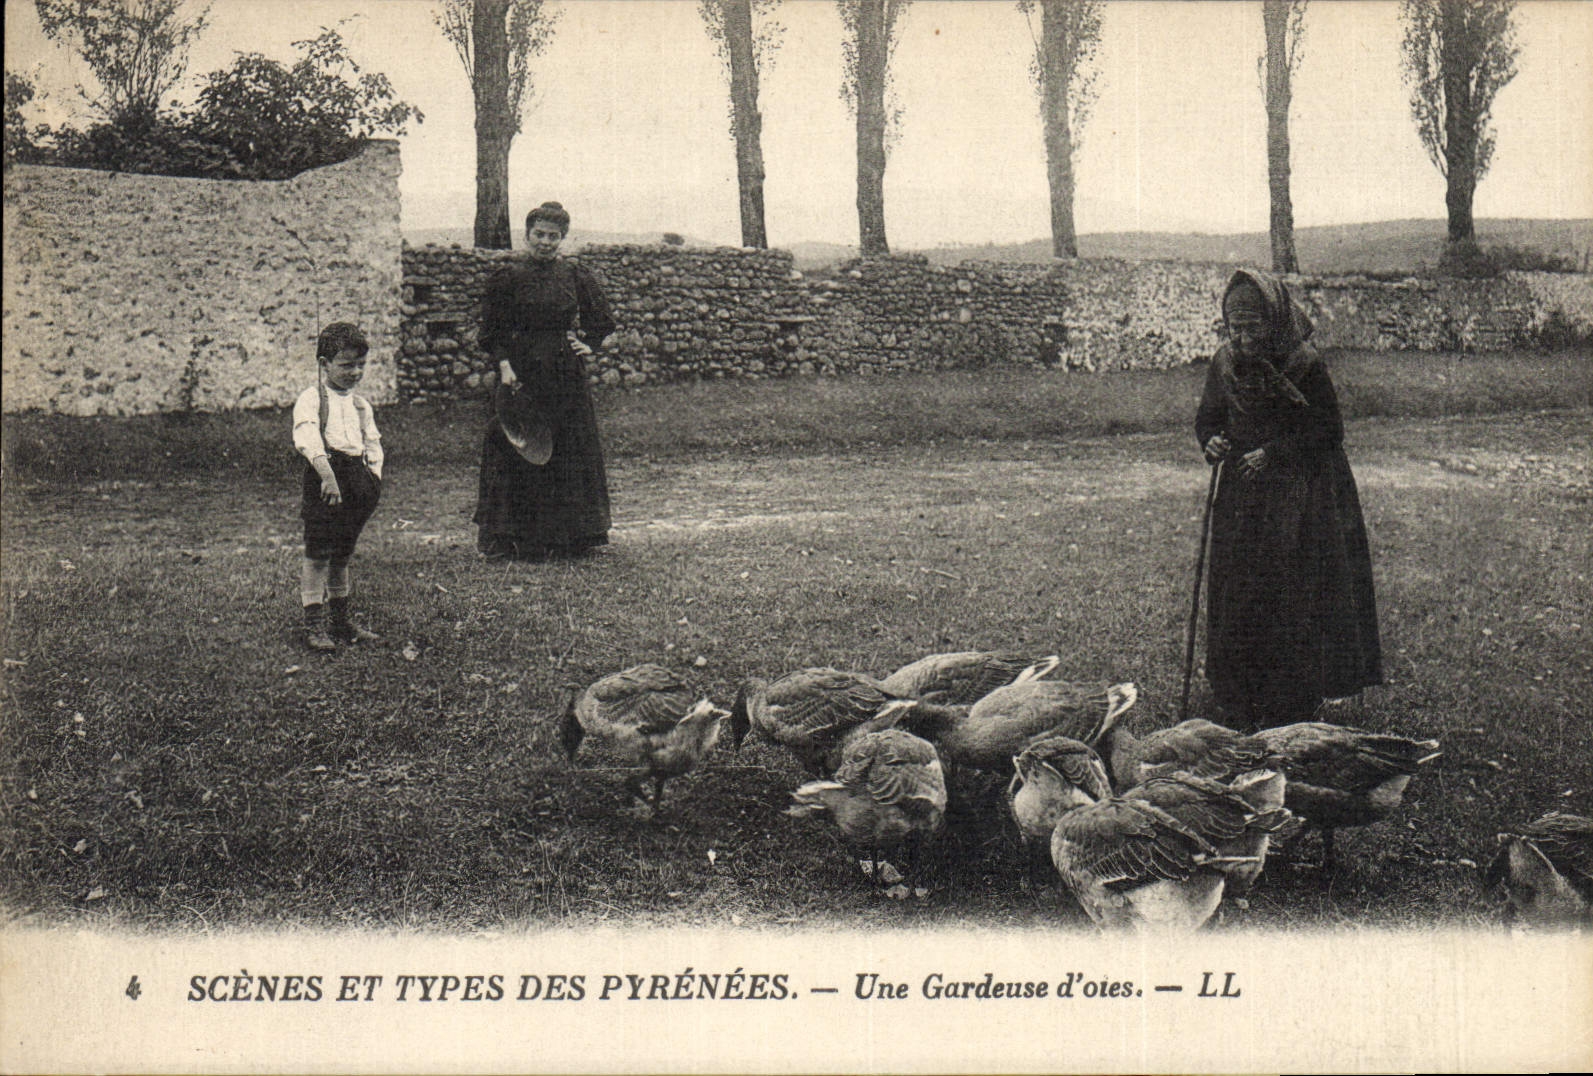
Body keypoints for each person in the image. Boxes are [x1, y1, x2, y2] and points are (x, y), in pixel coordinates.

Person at [1195, 268, 1382, 730]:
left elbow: (1328, 431)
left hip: (1300, 497)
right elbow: (1209, 418)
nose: (1242, 338)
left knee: (1290, 592)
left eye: (1252, 327)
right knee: (1241, 587)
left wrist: (1274, 453)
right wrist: (1212, 442)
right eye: (1233, 327)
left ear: (1273, 320)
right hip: (1242, 494)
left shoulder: (1303, 363)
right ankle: (1239, 694)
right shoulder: (1223, 363)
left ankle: (1292, 699)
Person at [475, 201, 617, 560]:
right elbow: (492, 330)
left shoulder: (573, 274)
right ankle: (506, 538)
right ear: (527, 234)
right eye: (539, 234)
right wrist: (505, 366)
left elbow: (601, 319)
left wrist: (588, 344)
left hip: (564, 374)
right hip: (520, 373)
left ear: (563, 239)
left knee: (568, 448)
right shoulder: (508, 276)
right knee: (514, 444)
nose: (545, 242)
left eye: (554, 236)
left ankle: (571, 537)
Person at [293, 322, 384, 651]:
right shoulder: (313, 399)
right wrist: (327, 475)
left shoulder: (361, 405)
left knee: (342, 554)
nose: (355, 372)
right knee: (319, 553)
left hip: (357, 479)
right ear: (324, 364)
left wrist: (373, 480)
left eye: (361, 364)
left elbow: (373, 444)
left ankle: (341, 620)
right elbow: (307, 437)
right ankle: (314, 623)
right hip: (325, 477)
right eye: (346, 365)